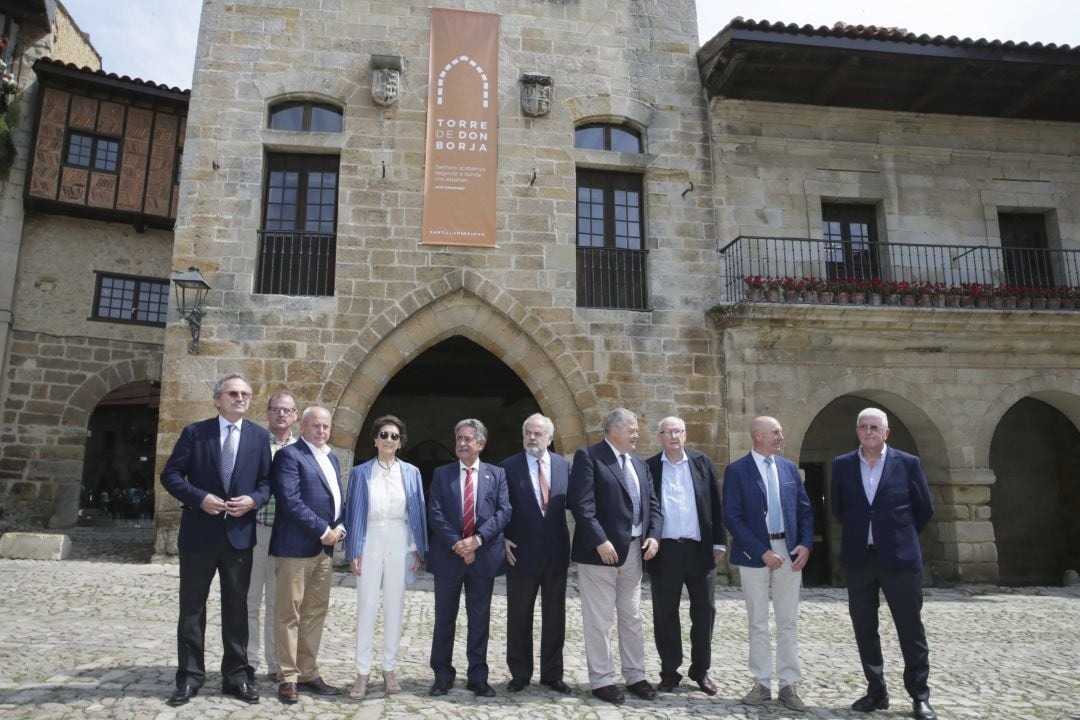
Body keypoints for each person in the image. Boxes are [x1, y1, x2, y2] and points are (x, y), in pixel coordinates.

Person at [160, 373, 271, 707]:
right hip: (198, 534)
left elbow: (267, 483)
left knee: (237, 608)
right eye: (233, 393)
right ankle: (190, 677)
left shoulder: (259, 436)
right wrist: (199, 498)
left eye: (246, 394)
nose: (240, 398)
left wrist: (253, 500)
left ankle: (237, 676)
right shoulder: (195, 433)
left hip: (239, 537)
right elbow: (170, 475)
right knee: (192, 610)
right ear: (217, 399)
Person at [831, 408, 936, 720]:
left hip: (900, 560)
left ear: (886, 432)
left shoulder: (908, 463)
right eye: (863, 427)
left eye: (875, 427)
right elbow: (839, 509)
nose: (868, 432)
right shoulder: (843, 465)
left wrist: (897, 536)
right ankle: (876, 690)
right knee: (865, 627)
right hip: (861, 558)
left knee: (910, 628)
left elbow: (924, 509)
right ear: (857, 431)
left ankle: (919, 695)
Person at [567, 408, 662, 705]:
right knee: (600, 619)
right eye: (632, 429)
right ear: (614, 430)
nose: (636, 434)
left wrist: (653, 535)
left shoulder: (638, 461)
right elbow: (581, 505)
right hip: (600, 554)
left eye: (636, 429)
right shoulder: (589, 457)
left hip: (635, 550)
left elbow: (653, 504)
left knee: (632, 617)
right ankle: (602, 680)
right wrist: (600, 541)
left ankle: (635, 675)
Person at [722, 415, 813, 711]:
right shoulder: (737, 471)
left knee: (788, 620)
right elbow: (732, 516)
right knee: (757, 620)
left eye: (780, 431)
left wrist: (805, 545)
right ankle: (760, 683)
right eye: (775, 432)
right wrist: (761, 551)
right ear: (757, 436)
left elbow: (805, 511)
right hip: (754, 554)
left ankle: (789, 684)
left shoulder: (788, 468)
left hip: (789, 550)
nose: (780, 436)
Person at [344, 415, 428, 699]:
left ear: (400, 442)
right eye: (384, 435)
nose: (388, 440)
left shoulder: (412, 472)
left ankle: (389, 668)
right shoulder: (360, 472)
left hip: (399, 536)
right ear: (375, 439)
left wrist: (416, 547)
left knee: (395, 605)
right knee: (366, 605)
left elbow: (417, 511)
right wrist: (354, 549)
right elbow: (352, 512)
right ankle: (362, 672)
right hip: (370, 536)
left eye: (394, 436)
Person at [427, 419, 511, 698]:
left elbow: (503, 512)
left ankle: (477, 676)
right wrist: (458, 544)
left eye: (468, 439)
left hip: (482, 557)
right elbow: (435, 512)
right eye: (459, 438)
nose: (462, 443)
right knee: (444, 619)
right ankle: (442, 674)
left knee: (479, 620)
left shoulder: (496, 475)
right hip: (449, 557)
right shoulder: (442, 474)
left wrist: (477, 540)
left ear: (481, 444)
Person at [269, 406, 346, 704]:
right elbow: (290, 501)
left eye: (326, 426)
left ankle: (308, 671)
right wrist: (323, 529)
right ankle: (287, 677)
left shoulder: (332, 456)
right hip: (296, 549)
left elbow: (337, 500)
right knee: (289, 614)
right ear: (303, 427)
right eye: (316, 426)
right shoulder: (289, 456)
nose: (322, 431)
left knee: (314, 614)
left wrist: (340, 528)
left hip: (324, 550)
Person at [645, 415, 725, 695]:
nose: (673, 437)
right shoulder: (650, 467)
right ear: (659, 437)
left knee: (705, 611)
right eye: (667, 432)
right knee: (665, 613)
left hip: (700, 550)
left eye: (677, 431)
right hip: (664, 552)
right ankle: (670, 671)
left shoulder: (701, 462)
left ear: (685, 435)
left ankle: (701, 671)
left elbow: (715, 503)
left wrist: (719, 543)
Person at [500, 413, 572, 694]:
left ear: (549, 438)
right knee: (519, 615)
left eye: (538, 433)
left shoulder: (564, 466)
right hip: (520, 552)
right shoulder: (508, 467)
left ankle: (552, 674)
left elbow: (579, 504)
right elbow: (497, 507)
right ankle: (520, 673)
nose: (532, 437)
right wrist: (502, 538)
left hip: (556, 552)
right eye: (528, 432)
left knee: (555, 615)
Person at [246, 390, 297, 682]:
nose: (281, 414)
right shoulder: (254, 445)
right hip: (256, 529)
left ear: (294, 415)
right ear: (267, 413)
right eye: (276, 409)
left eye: (286, 410)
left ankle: (276, 663)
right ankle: (249, 660)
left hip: (285, 535)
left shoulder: (300, 449)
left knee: (279, 604)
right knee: (250, 599)